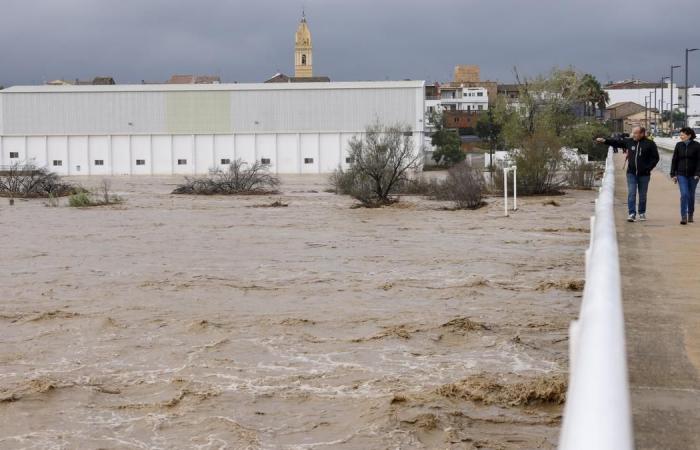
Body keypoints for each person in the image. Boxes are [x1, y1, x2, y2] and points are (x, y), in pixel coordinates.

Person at [596, 126, 659, 222]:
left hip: (644, 175)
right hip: (631, 173)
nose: (633, 135)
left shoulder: (650, 144)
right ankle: (632, 213)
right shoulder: (630, 142)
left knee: (642, 195)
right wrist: (605, 141)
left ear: (642, 134)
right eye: (633, 133)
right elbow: (616, 143)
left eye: (635, 133)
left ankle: (641, 213)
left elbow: (655, 158)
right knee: (631, 193)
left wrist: (648, 168)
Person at [670, 127, 700, 225]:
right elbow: (674, 160)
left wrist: (697, 173)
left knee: (691, 195)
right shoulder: (678, 145)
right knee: (684, 194)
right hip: (681, 174)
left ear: (689, 135)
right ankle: (684, 216)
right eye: (680, 134)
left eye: (682, 135)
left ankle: (690, 213)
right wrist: (673, 174)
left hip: (693, 175)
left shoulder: (697, 146)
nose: (680, 136)